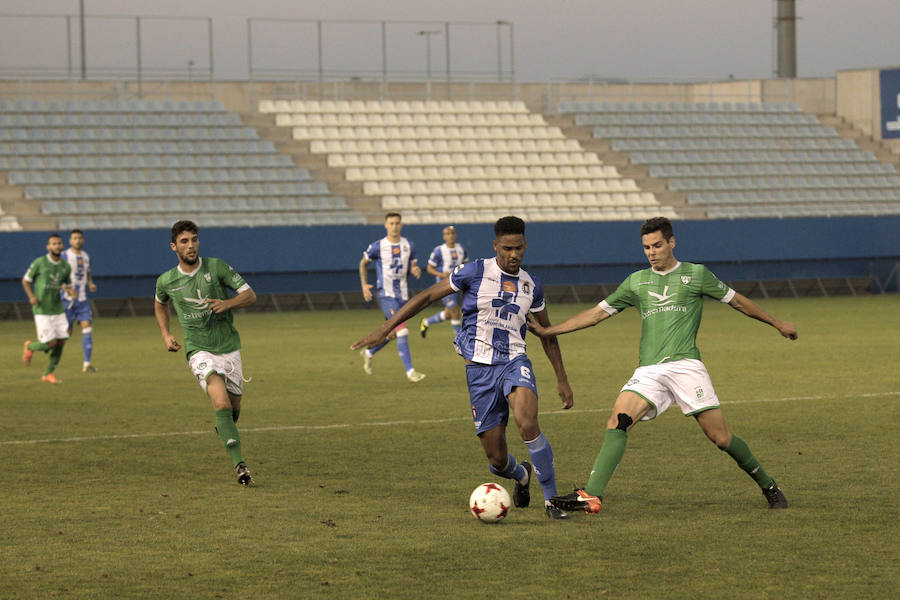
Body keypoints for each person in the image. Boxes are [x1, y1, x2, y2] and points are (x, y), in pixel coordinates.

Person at [528, 216, 797, 515]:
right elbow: (596, 314)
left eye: (657, 245)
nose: (652, 252)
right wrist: (548, 331)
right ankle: (592, 495)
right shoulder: (636, 281)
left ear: (672, 242)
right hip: (649, 371)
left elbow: (737, 301)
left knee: (720, 438)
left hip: (686, 366)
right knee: (618, 421)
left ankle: (768, 485)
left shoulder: (696, 274)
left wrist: (777, 323)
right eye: (646, 247)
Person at [352, 216, 575, 519]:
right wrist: (384, 328)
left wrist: (562, 380)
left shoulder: (531, 285)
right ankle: (521, 475)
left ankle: (552, 501)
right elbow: (427, 295)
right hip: (479, 371)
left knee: (527, 421)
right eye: (507, 248)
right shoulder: (474, 272)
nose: (514, 254)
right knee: (496, 459)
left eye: (519, 248)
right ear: (496, 246)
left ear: (525, 247)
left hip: (514, 361)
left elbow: (547, 336)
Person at [154, 220, 258, 486]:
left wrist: (228, 303)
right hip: (198, 349)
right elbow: (160, 304)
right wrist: (166, 334)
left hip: (229, 347)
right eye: (185, 241)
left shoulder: (217, 267)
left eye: (194, 239)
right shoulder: (167, 280)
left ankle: (225, 428)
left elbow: (250, 295)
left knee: (233, 409)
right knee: (220, 403)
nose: (191, 246)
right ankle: (240, 465)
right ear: (173, 246)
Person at [358, 212, 426, 382]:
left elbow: (413, 265)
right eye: (391, 223)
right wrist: (364, 285)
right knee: (402, 329)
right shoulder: (378, 246)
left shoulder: (409, 245)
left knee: (394, 333)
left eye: (397, 223)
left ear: (401, 225)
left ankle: (369, 352)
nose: (395, 226)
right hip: (385, 294)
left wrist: (415, 269)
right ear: (386, 225)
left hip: (402, 295)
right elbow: (363, 263)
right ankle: (410, 372)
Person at [21, 233, 76, 384]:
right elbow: (25, 281)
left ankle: (48, 374)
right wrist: (31, 296)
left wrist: (71, 291)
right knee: (50, 343)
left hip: (57, 308)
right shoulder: (40, 262)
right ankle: (30, 346)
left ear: (62, 246)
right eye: (53, 243)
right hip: (42, 309)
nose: (57, 246)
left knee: (62, 341)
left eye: (59, 243)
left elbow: (67, 285)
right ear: (48, 246)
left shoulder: (65, 266)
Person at [419, 225, 467, 339]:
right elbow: (430, 268)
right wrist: (441, 275)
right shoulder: (439, 250)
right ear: (444, 236)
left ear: (455, 235)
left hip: (457, 285)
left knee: (449, 313)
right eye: (447, 234)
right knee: (455, 312)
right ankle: (460, 340)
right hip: (443, 286)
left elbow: (465, 266)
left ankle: (426, 322)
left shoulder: (461, 249)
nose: (450, 236)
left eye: (452, 233)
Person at [61, 229, 98, 373]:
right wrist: (66, 288)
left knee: (87, 327)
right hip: (67, 300)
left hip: (82, 300)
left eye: (79, 238)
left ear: (83, 240)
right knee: (65, 334)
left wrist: (90, 283)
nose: (77, 240)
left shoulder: (85, 256)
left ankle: (87, 364)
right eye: (74, 238)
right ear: (70, 241)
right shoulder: (64, 256)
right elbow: (58, 276)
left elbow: (87, 273)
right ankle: (35, 347)